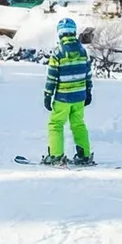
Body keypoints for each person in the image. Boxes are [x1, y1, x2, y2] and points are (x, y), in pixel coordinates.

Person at [43, 17, 94, 166]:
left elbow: (52, 76)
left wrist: (48, 94)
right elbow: (88, 73)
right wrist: (88, 91)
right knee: (78, 124)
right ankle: (84, 155)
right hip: (79, 96)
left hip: (63, 97)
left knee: (56, 124)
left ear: (60, 34)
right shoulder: (83, 51)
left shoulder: (58, 53)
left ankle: (56, 155)